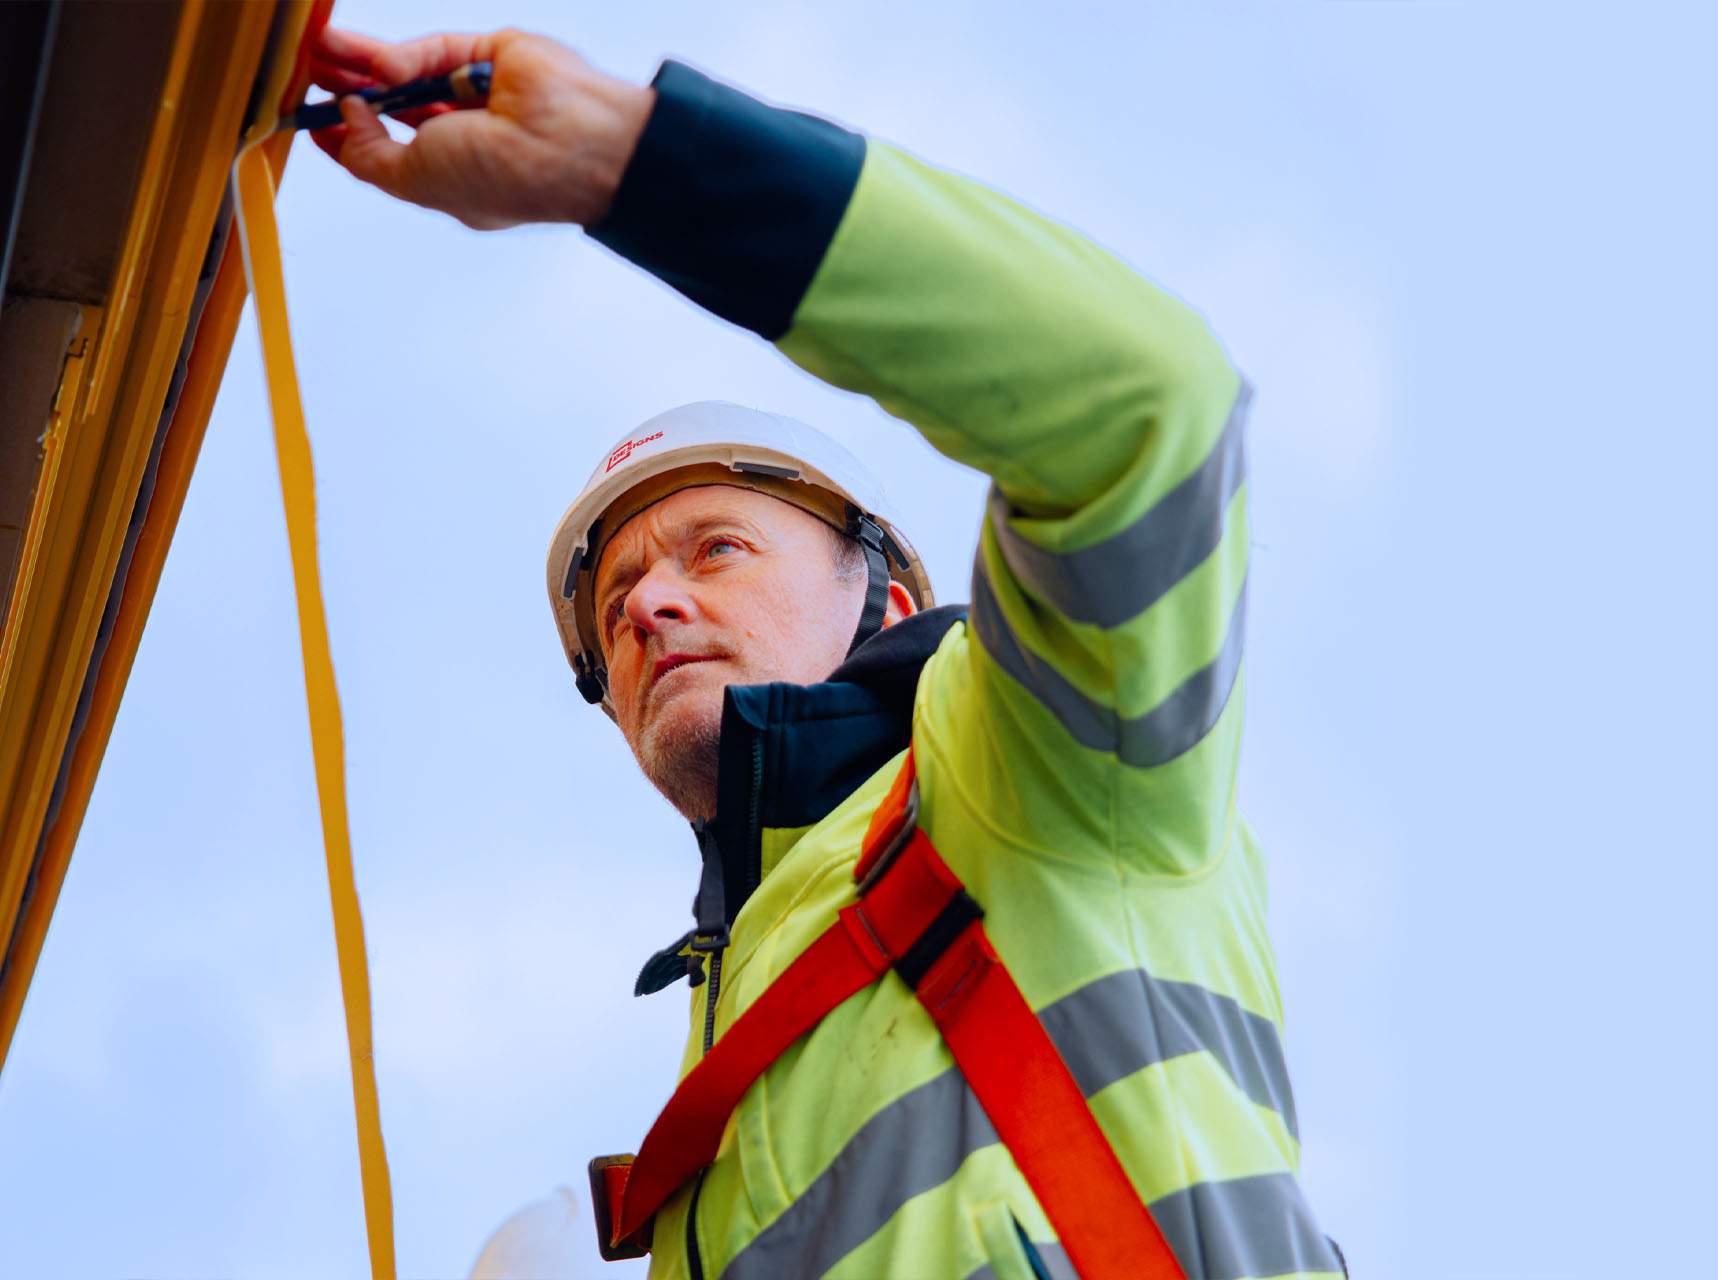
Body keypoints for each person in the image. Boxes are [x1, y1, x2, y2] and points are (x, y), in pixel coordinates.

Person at [311, 25, 1344, 1280]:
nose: (647, 606)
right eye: (619, 593)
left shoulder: (1044, 762)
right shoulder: (705, 1134)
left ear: (889, 592)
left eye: (716, 548)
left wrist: (624, 163)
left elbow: (1151, 407)